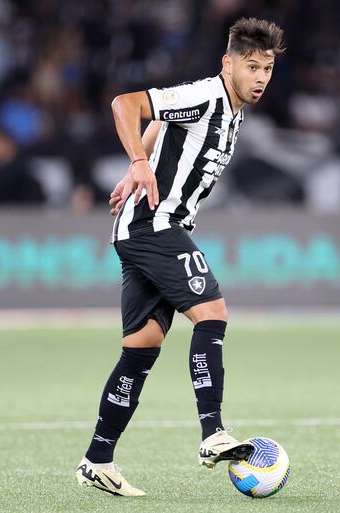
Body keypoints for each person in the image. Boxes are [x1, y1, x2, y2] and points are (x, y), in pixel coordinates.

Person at [75, 17, 285, 497]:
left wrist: (140, 161)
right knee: (212, 313)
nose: (260, 77)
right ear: (227, 63)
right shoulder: (203, 96)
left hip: (146, 228)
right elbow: (126, 104)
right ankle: (212, 434)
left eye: (267, 68)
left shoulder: (233, 112)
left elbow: (155, 128)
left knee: (142, 347)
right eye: (251, 66)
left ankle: (98, 459)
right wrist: (138, 164)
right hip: (155, 227)